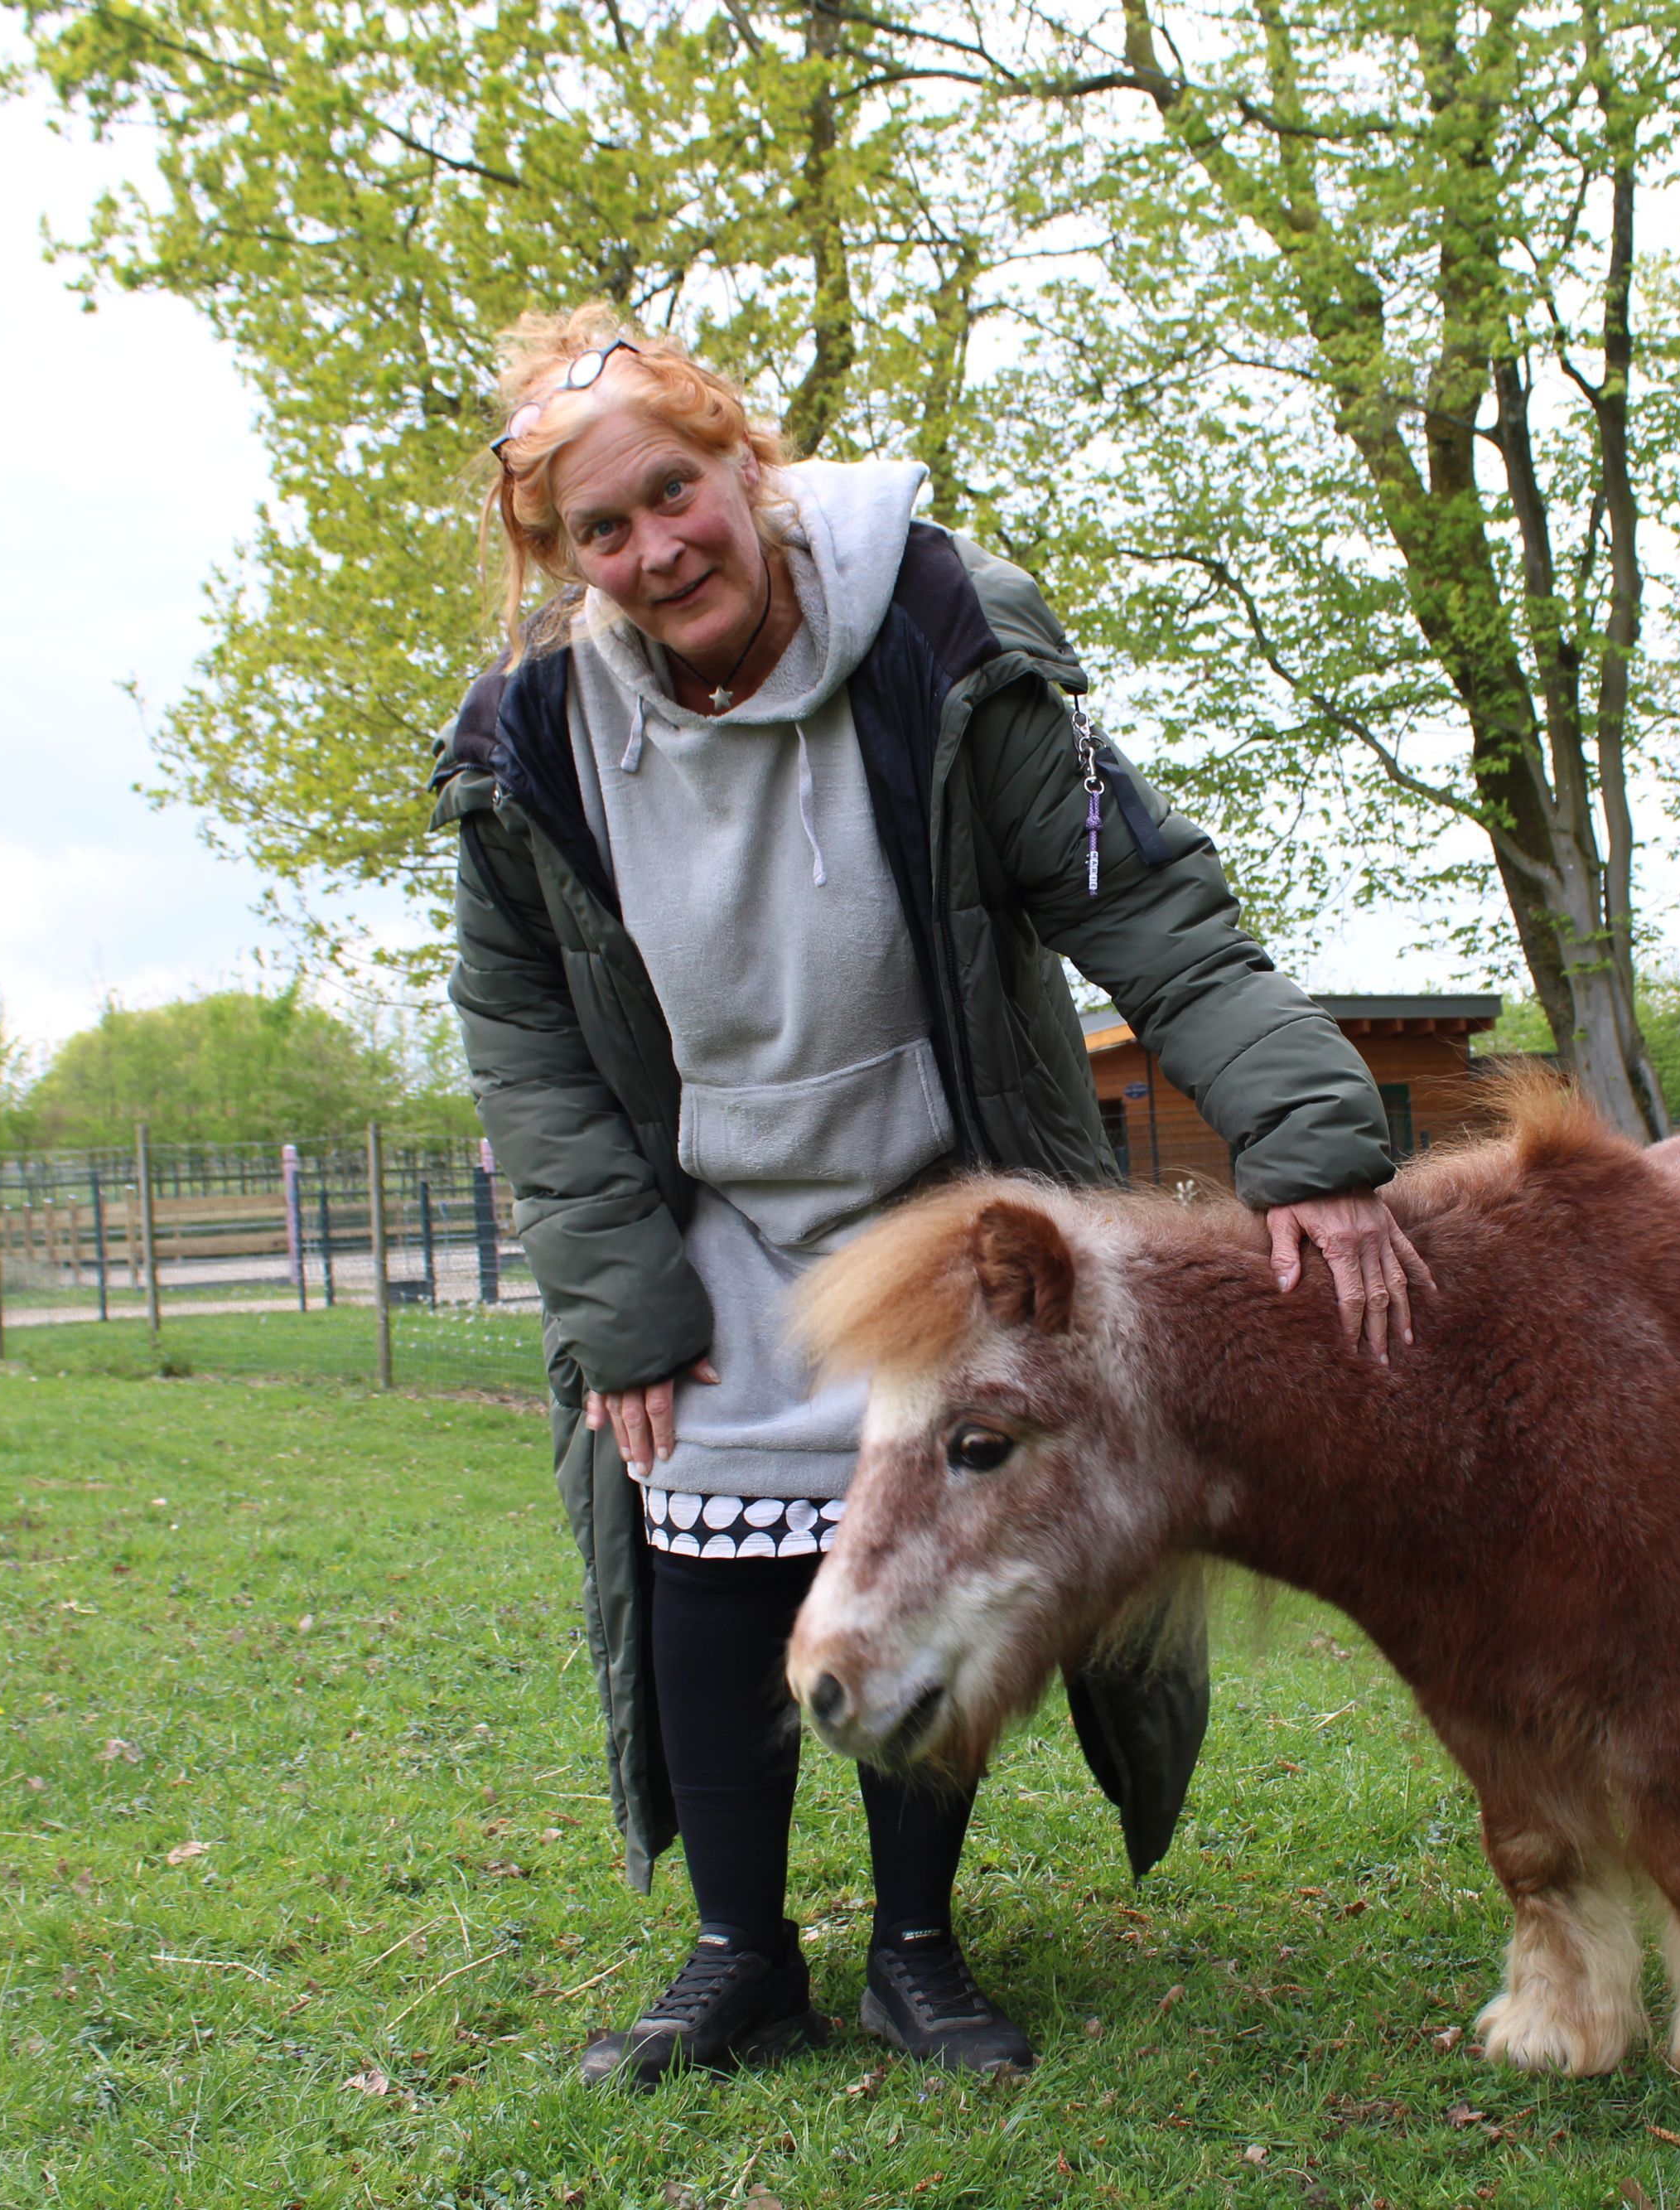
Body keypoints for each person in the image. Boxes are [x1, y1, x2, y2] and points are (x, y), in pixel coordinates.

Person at [427, 308, 1428, 2088]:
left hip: (936, 1208)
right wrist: (615, 1296)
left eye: (678, 488)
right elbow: (522, 1040)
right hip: (710, 1214)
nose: (659, 546)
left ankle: (914, 1947)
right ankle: (738, 1954)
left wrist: (1311, 1137)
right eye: (603, 529)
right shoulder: (532, 743)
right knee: (703, 1568)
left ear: (745, 462)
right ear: (558, 561)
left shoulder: (938, 639)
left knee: (912, 1562)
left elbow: (1155, 908)